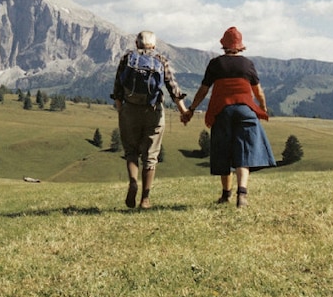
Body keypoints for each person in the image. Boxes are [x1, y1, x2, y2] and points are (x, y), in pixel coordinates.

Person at [181, 27, 276, 208]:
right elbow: (258, 92)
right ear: (240, 47)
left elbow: (203, 90)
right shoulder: (248, 64)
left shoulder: (216, 64)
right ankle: (242, 193)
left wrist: (191, 109)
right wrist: (263, 108)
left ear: (224, 45)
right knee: (244, 153)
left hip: (222, 111)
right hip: (245, 111)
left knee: (223, 152)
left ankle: (226, 195)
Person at [112, 31, 190, 210]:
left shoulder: (127, 58)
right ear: (153, 45)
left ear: (136, 43)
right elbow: (173, 87)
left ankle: (133, 182)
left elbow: (117, 86)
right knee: (151, 155)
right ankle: (145, 199)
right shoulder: (160, 59)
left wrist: (121, 109)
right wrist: (184, 111)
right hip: (153, 111)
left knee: (131, 151)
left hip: (130, 109)